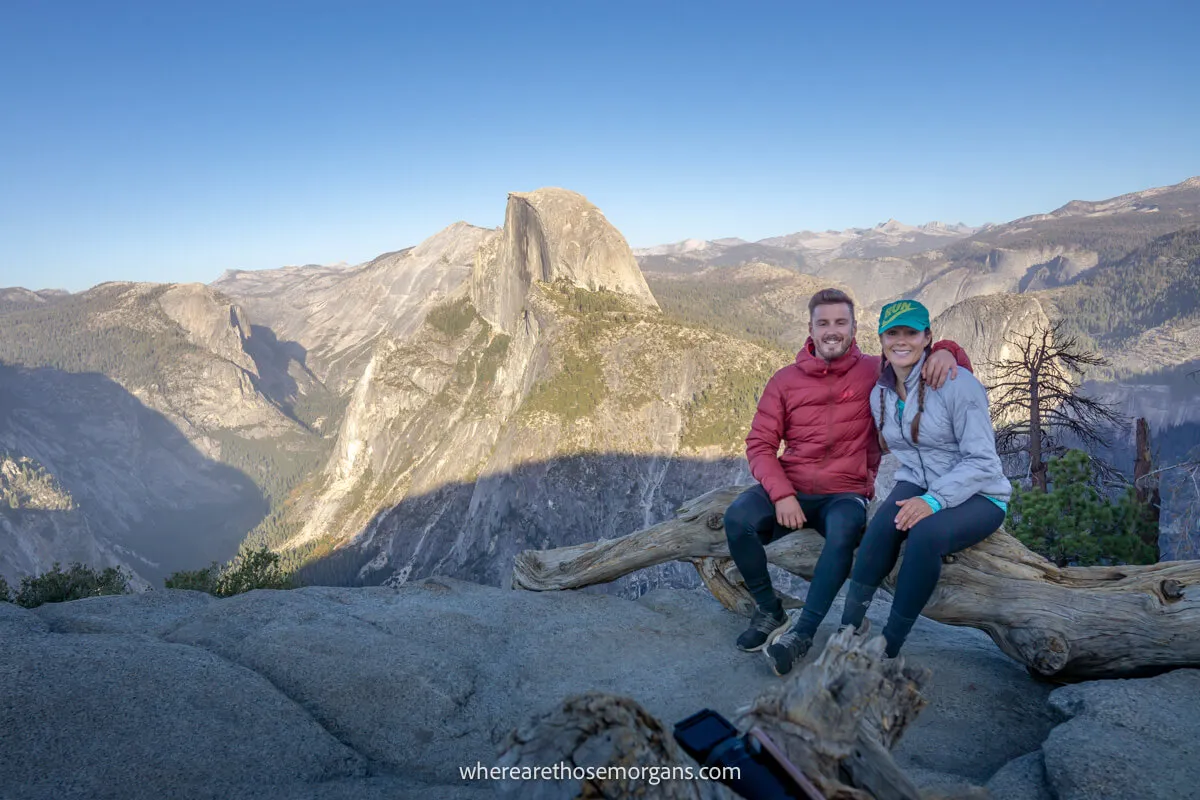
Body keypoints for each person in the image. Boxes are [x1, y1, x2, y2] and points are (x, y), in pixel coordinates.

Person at [724, 288, 974, 677]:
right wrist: (783, 494)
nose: (832, 331)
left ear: (854, 328)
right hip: (793, 484)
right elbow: (759, 445)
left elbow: (914, 349)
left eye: (841, 322)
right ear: (810, 328)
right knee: (737, 518)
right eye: (823, 323)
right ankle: (769, 611)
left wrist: (947, 351)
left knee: (843, 531)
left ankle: (804, 632)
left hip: (845, 491)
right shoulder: (785, 381)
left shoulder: (875, 369)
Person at [832, 299, 1010, 659]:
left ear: (927, 337)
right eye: (892, 333)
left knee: (925, 535)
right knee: (882, 528)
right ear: (881, 339)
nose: (902, 341)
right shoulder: (879, 393)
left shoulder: (957, 385)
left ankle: (889, 643)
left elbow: (983, 462)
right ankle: (849, 626)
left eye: (911, 333)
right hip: (920, 479)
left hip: (981, 494)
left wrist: (932, 501)